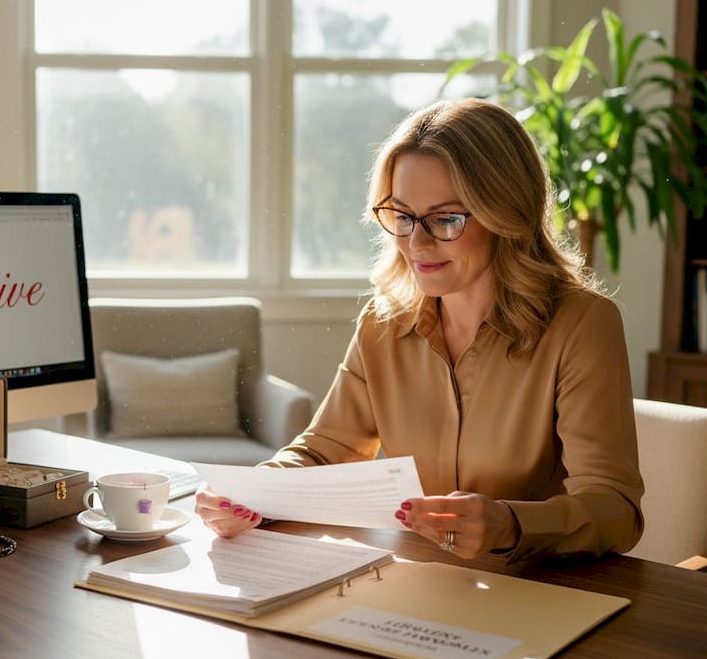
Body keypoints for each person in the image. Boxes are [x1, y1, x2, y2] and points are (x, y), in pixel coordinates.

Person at [196, 98, 644, 563]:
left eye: (445, 219)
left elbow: (615, 509)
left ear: (506, 216)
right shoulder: (384, 321)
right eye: (403, 216)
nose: (416, 243)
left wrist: (512, 524)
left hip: (535, 586)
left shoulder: (582, 324)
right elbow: (325, 451)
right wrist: (251, 494)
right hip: (410, 581)